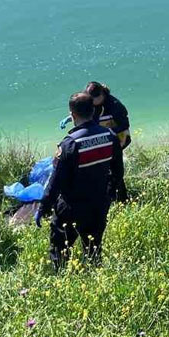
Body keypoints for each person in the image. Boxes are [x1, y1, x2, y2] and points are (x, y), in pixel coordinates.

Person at [37, 93, 124, 270]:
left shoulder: (70, 144)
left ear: (72, 115)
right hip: (99, 204)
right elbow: (118, 172)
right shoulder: (110, 136)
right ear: (93, 111)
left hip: (71, 206)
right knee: (93, 248)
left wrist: (43, 207)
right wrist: (109, 194)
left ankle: (60, 278)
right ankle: (94, 278)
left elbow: (55, 183)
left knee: (60, 249)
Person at [85, 81, 131, 202]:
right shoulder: (93, 104)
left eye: (92, 99)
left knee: (115, 171)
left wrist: (109, 132)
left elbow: (125, 124)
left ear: (101, 95)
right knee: (101, 169)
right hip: (102, 141)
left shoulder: (115, 105)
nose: (90, 103)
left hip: (118, 140)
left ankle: (122, 199)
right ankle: (107, 196)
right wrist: (71, 117)